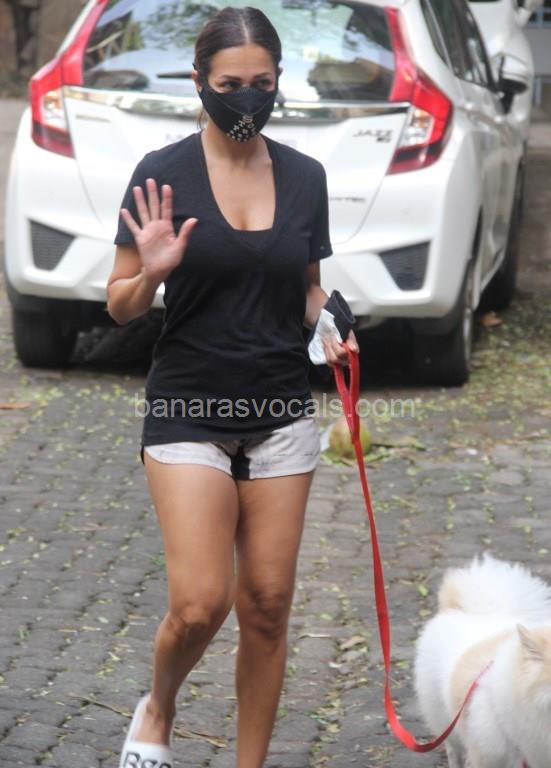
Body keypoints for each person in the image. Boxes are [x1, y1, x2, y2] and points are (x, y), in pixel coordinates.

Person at [107, 6, 359, 768]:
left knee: (268, 607)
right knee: (199, 603)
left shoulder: (305, 178)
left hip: (280, 408)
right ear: (198, 82)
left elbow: (303, 287)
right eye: (229, 85)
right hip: (189, 406)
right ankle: (159, 706)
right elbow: (118, 305)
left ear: (279, 81)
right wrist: (150, 274)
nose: (247, 98)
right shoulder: (162, 174)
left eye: (262, 82)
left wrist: (331, 322)